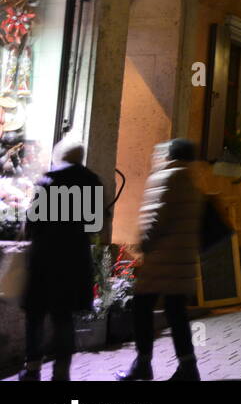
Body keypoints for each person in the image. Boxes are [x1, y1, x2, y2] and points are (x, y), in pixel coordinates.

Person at [117, 138, 203, 381]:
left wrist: (143, 244)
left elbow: (155, 218)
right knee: (177, 313)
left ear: (170, 155)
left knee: (142, 306)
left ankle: (143, 363)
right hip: (182, 260)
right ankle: (188, 367)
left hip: (161, 260)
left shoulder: (167, 177)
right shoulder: (193, 182)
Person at [19, 138, 104, 382]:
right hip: (75, 258)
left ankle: (33, 369)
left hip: (46, 257)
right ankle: (61, 372)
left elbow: (32, 222)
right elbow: (96, 224)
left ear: (60, 156)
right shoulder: (93, 182)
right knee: (63, 317)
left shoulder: (49, 181)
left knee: (35, 313)